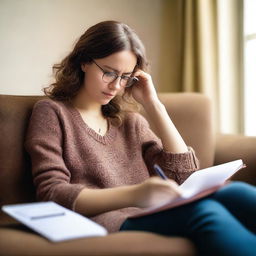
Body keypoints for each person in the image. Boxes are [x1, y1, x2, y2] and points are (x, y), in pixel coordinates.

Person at [25, 20, 256, 256]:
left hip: (153, 210)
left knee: (234, 192)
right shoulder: (52, 113)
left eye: (126, 77)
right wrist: (136, 194)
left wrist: (153, 104)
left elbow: (185, 177)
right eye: (108, 72)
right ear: (84, 61)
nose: (116, 85)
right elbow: (52, 192)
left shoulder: (131, 122)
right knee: (206, 212)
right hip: (107, 219)